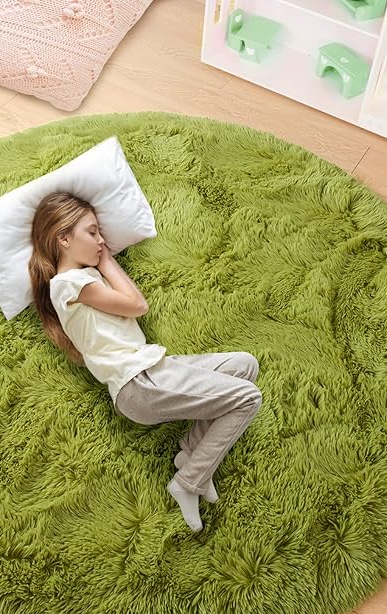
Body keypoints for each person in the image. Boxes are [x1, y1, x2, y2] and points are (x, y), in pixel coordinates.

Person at [28, 191, 263, 532]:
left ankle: (191, 456)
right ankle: (188, 483)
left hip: (152, 369)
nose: (101, 240)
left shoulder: (84, 281)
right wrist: (106, 261)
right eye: (92, 232)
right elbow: (137, 305)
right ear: (63, 239)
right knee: (248, 398)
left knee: (244, 365)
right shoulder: (67, 284)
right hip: (137, 382)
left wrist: (100, 260)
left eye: (100, 233)